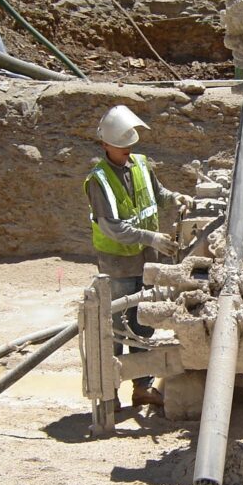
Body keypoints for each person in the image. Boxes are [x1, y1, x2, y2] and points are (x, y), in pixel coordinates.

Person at [84, 104, 193, 407]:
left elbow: (157, 194)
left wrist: (176, 197)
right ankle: (109, 394)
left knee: (143, 323)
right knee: (117, 328)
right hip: (118, 264)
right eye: (121, 149)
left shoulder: (141, 164)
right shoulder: (100, 180)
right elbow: (112, 227)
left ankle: (142, 387)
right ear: (105, 145)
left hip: (145, 260)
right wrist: (153, 238)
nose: (127, 153)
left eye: (130, 147)